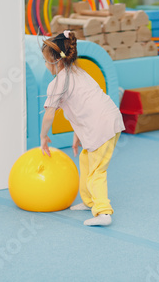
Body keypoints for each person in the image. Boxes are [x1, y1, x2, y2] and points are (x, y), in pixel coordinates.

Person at [40, 30, 125, 226]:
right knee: (87, 160)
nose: (45, 65)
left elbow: (49, 115)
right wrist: (78, 134)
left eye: (46, 61)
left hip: (101, 126)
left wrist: (43, 137)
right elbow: (85, 106)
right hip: (108, 120)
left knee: (97, 171)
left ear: (57, 61)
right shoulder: (79, 72)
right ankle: (89, 202)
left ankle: (103, 212)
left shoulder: (56, 84)